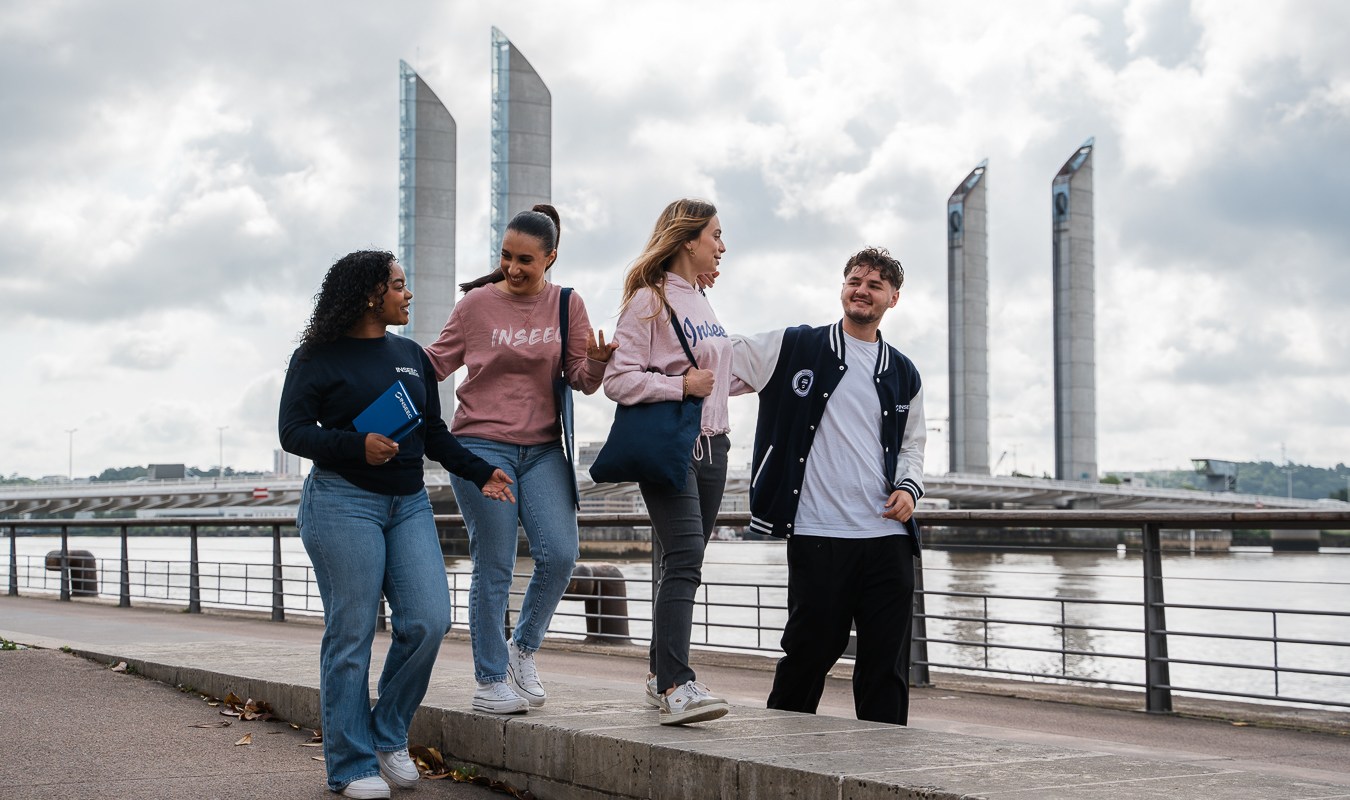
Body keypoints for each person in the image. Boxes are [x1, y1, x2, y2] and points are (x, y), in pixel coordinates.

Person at [279, 250, 516, 799]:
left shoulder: (410, 356)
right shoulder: (315, 357)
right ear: (370, 294)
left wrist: (482, 473)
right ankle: (350, 764)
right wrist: (356, 445)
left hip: (408, 504)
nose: (408, 295)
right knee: (352, 633)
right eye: (399, 285)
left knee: (430, 620)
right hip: (342, 502)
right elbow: (293, 433)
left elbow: (432, 433)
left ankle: (387, 733)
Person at [425, 204, 617, 715]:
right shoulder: (475, 307)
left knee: (559, 553)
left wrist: (596, 364)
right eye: (506, 256)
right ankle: (489, 681)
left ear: (550, 258)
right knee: (495, 563)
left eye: (525, 260)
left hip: (544, 449)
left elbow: (581, 378)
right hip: (480, 445)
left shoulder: (567, 305)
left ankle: (522, 650)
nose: (513, 268)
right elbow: (433, 365)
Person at [730, 246, 926, 726]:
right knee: (806, 656)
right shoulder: (795, 346)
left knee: (885, 670)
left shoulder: (904, 372)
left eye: (875, 284)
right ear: (842, 288)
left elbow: (913, 447)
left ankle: (882, 771)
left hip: (887, 542)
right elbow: (720, 353)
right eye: (855, 280)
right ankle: (780, 765)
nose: (862, 290)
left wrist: (908, 488)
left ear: (893, 299)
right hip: (819, 536)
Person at [603, 198, 733, 725]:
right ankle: (678, 682)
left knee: (682, 563)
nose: (722, 247)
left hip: (715, 448)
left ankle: (661, 676)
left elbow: (718, 380)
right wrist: (680, 384)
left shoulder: (701, 301)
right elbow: (617, 380)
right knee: (683, 561)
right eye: (716, 236)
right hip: (673, 448)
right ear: (687, 241)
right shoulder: (648, 302)